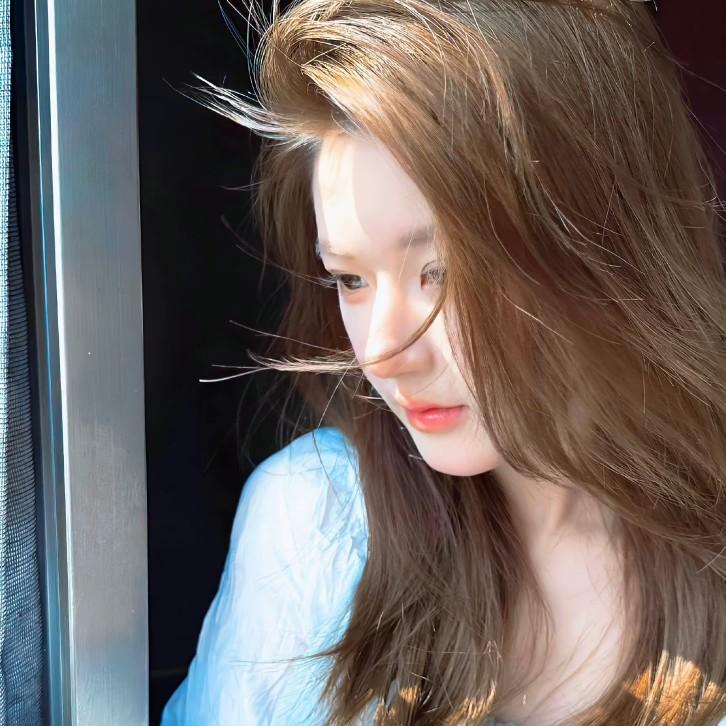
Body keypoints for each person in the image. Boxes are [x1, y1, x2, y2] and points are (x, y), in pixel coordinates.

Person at [161, 0, 726, 723]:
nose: (383, 352)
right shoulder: (316, 521)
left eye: (443, 273)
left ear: (607, 247)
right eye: (350, 279)